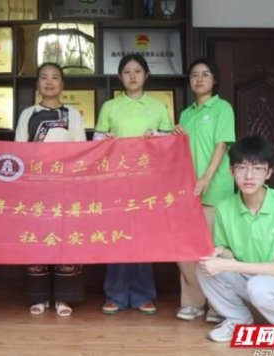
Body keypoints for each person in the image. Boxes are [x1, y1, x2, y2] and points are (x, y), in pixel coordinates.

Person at [196, 136, 274, 352]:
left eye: (258, 168)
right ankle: (238, 320)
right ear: (232, 171)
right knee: (204, 266)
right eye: (241, 168)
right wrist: (220, 252)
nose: (249, 176)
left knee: (258, 286)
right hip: (250, 277)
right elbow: (229, 254)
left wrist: (226, 265)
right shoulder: (224, 208)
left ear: (269, 172)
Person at [94, 53, 173, 315]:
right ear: (120, 77)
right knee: (116, 238)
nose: (132, 76)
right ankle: (114, 295)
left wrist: (158, 136)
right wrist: (102, 138)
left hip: (148, 184)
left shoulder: (159, 107)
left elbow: (169, 143)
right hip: (116, 182)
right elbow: (96, 139)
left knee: (143, 238)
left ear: (146, 76)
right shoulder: (110, 106)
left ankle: (143, 295)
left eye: (137, 71)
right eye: (127, 71)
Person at [15, 62, 87, 316]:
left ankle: (65, 298)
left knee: (65, 242)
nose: (49, 82)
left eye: (55, 77)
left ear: (62, 85)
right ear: (37, 84)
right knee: (37, 242)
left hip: (66, 189)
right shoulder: (28, 114)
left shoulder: (73, 115)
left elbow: (82, 152)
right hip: (35, 190)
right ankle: (39, 296)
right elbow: (19, 153)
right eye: (43, 77)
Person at [172, 58, 235, 323]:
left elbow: (222, 144)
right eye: (194, 75)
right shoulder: (186, 114)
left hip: (215, 189)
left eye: (205, 74)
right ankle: (192, 302)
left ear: (214, 80)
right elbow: (178, 152)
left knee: (213, 249)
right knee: (185, 250)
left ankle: (218, 306)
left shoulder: (222, 108)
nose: (199, 79)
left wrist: (207, 177)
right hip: (187, 192)